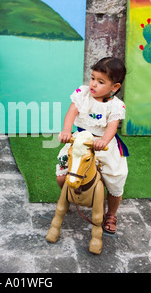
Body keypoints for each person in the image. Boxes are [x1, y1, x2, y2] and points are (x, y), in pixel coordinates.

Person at [56, 57, 128, 234]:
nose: (94, 84)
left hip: (103, 145)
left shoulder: (116, 105)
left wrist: (103, 140)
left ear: (115, 87)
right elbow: (72, 111)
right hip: (80, 140)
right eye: (93, 78)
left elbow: (112, 126)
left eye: (101, 81)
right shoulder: (83, 93)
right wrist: (66, 130)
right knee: (62, 171)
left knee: (115, 176)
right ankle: (74, 193)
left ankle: (111, 214)